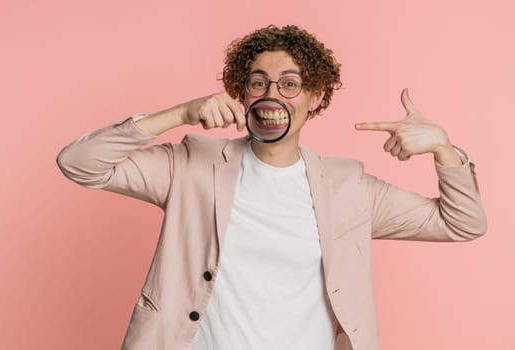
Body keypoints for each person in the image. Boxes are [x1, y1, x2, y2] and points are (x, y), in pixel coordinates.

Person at [56, 25, 487, 350]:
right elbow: (79, 164)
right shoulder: (190, 165)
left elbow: (463, 223)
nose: (272, 95)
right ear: (242, 94)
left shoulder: (348, 187)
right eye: (258, 82)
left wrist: (444, 150)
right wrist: (178, 113)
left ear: (316, 97)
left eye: (290, 83)